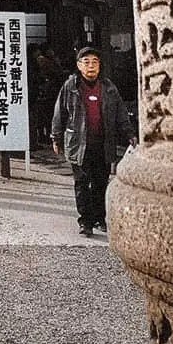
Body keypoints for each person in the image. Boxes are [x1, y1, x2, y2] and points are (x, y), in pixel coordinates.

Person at [51, 46, 137, 237]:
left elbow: (120, 113)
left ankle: (100, 218)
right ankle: (85, 221)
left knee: (100, 183)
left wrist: (129, 133)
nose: (91, 66)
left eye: (95, 62)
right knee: (82, 183)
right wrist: (56, 137)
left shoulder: (108, 87)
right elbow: (60, 114)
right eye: (86, 62)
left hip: (103, 143)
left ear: (99, 66)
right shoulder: (71, 86)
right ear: (79, 65)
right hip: (78, 143)